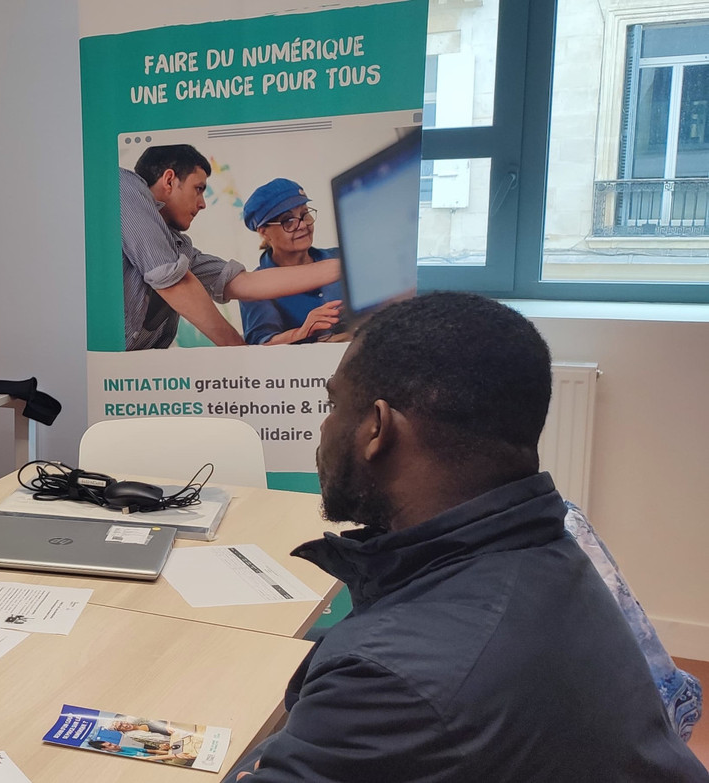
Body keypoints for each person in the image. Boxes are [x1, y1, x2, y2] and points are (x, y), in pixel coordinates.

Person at [228, 292, 709, 782]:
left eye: (333, 405)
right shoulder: (547, 545)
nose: (326, 426)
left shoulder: (392, 677)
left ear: (378, 428)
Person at [117, 145, 342, 350]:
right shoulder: (123, 186)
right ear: (169, 180)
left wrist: (352, 263)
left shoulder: (181, 251)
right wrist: (240, 352)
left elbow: (243, 283)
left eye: (304, 215)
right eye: (198, 188)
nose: (203, 203)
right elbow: (174, 282)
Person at [235, 178, 343, 345]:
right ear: (264, 232)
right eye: (288, 221)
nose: (302, 225)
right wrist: (302, 332)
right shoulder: (254, 289)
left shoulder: (338, 257)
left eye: (305, 214)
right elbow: (262, 345)